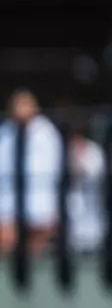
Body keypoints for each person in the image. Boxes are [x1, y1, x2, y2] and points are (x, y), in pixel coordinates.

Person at [0, 90, 64, 258]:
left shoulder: (47, 133)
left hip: (41, 205)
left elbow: (53, 170)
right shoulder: (5, 133)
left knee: (35, 253)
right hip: (8, 206)